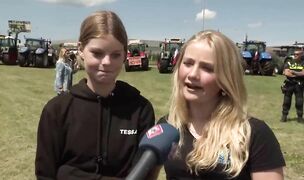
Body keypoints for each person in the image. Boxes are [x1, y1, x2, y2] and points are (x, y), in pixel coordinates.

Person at [35, 10, 156, 179]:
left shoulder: (140, 111)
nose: (106, 62)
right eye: (97, 53)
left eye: (115, 55)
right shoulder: (56, 111)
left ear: (124, 55)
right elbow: (45, 174)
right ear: (81, 50)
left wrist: (69, 174)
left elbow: (142, 174)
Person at [158, 30, 285, 179]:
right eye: (188, 63)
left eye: (207, 68)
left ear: (226, 78)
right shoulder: (167, 128)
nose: (192, 74)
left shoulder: (254, 134)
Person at [281, 50, 304, 122]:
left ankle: (300, 117)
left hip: (299, 85)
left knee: (299, 102)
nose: (295, 55)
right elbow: (286, 72)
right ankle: (284, 117)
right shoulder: (289, 61)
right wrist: (298, 74)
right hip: (289, 84)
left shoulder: (303, 63)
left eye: (297, 54)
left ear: (301, 55)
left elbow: (303, 73)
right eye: (294, 54)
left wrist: (293, 72)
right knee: (286, 101)